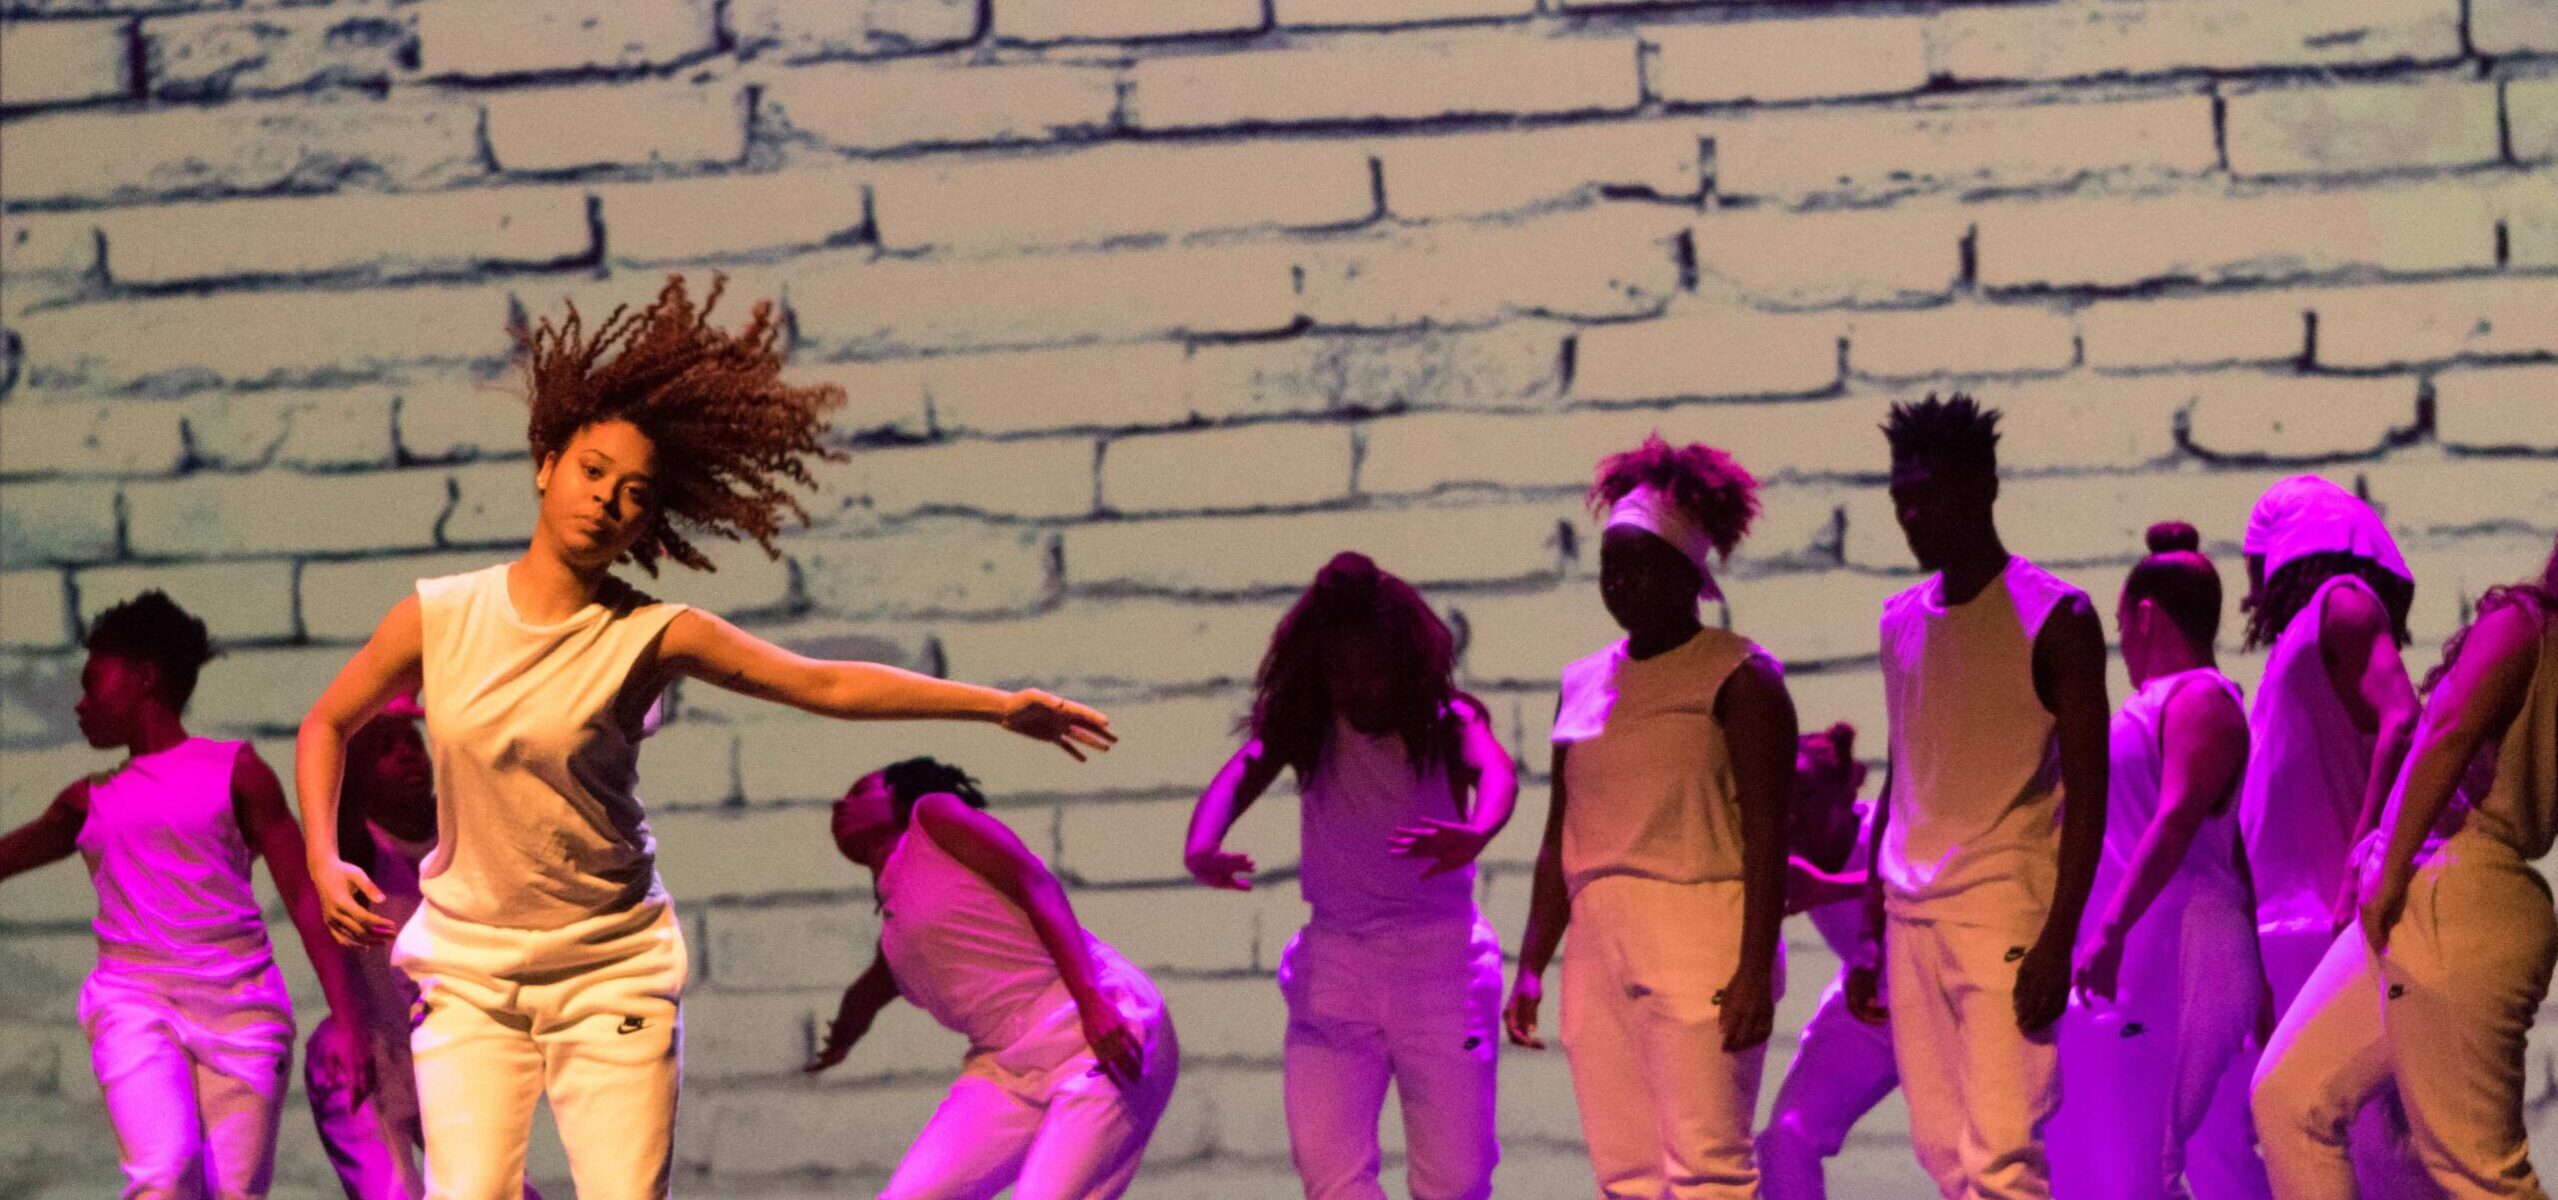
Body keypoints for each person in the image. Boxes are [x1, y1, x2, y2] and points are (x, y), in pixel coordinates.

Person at [294, 277, 1117, 1200]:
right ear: (547, 462)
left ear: (649, 522)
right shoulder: (439, 616)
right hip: (471, 970)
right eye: (592, 471)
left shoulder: (652, 632)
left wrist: (998, 706)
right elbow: (327, 722)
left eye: (634, 495)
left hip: (609, 971)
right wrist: (324, 860)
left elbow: (824, 683)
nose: (606, 500)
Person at [0, 591, 374, 1200]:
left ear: (146, 677)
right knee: (164, 1175)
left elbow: (306, 899)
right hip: (135, 1003)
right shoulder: (88, 799)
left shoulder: (236, 772)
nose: (81, 702)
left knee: (233, 1192)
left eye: (95, 683)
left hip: (243, 1011)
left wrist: (350, 1022)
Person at [1504, 434, 1798, 1199]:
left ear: (1688, 576)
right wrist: (1534, 958)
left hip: (1699, 927)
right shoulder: (1582, 682)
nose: (1620, 583)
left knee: (1707, 1169)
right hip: (1600, 939)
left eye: (1639, 566)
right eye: (1610, 566)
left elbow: (1770, 834)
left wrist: (1753, 972)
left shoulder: (1739, 675)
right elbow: (1559, 834)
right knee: (1626, 1174)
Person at [1849, 394, 2110, 1200]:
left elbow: (2091, 793)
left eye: (1929, 493)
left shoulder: (2055, 617)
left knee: (2002, 1154)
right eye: (1901, 499)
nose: (1913, 515)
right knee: (1941, 1150)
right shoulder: (1900, 621)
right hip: (1909, 914)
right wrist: (1870, 922)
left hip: (2003, 907)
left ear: (1985, 486)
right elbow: (1904, 770)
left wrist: (2059, 935)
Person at [2255, 533, 2558, 1198]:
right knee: (2291, 1098)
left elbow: (2446, 729)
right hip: (2459, 891)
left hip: (2456, 885)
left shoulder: (2524, 627)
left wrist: (2386, 867)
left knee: (2477, 1172)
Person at [809, 758, 1179, 1199]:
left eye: (858, 791)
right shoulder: (898, 930)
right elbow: (870, 990)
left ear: (896, 793)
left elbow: (1034, 882)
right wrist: (843, 1037)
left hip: (1092, 1028)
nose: (839, 803)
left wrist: (1092, 1002)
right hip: (1006, 1066)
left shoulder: (933, 819)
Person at [2044, 524, 2271, 1200]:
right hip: (2142, 955)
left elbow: (2178, 819)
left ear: (2143, 614)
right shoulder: (2149, 708)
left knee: (2144, 1159)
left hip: (2180, 947)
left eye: (2120, 622)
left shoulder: (2199, 696)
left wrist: (2110, 929)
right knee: (2117, 1159)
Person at [2231, 474, 2435, 1196]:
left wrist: (2361, 857)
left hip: (2335, 913)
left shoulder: (2342, 604)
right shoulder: (2301, 639)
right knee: (2321, 1134)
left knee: (2379, 1142)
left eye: (2256, 569)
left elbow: (2402, 717)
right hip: (2293, 922)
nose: (2252, 591)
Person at [303, 696, 541, 1200]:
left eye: (413, 745)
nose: (409, 756)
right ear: (359, 775)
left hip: (445, 1060)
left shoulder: (462, 837)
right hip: (367, 1058)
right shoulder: (355, 851)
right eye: (386, 750)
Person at [1755, 722, 1901, 1200]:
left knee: (1987, 1147)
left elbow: (1925, 880)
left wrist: (1825, 886)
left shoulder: (1890, 825)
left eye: (1808, 797)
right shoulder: (1781, 850)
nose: (1793, 817)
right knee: (1786, 1138)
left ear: (1847, 788)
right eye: (1784, 801)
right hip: (1864, 1011)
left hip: (1940, 999)